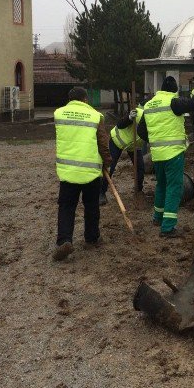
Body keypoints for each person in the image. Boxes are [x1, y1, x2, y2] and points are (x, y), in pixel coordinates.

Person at [138, 76, 194, 237]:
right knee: (174, 188)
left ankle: (158, 218)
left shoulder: (149, 105)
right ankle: (168, 227)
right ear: (174, 90)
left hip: (157, 154)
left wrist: (156, 140)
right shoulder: (173, 102)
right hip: (173, 153)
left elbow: (141, 132)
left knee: (161, 185)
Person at [52, 87, 112, 261]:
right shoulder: (95, 116)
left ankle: (64, 240)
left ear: (70, 99)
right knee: (91, 206)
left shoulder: (59, 114)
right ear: (85, 100)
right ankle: (92, 238)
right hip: (91, 172)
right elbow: (103, 143)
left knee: (66, 207)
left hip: (68, 171)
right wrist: (107, 162)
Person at [99, 105, 145, 205]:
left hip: (134, 145)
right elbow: (120, 124)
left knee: (140, 168)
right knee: (110, 166)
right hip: (117, 140)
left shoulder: (156, 121)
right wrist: (129, 118)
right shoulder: (138, 113)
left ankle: (139, 191)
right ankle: (101, 193)